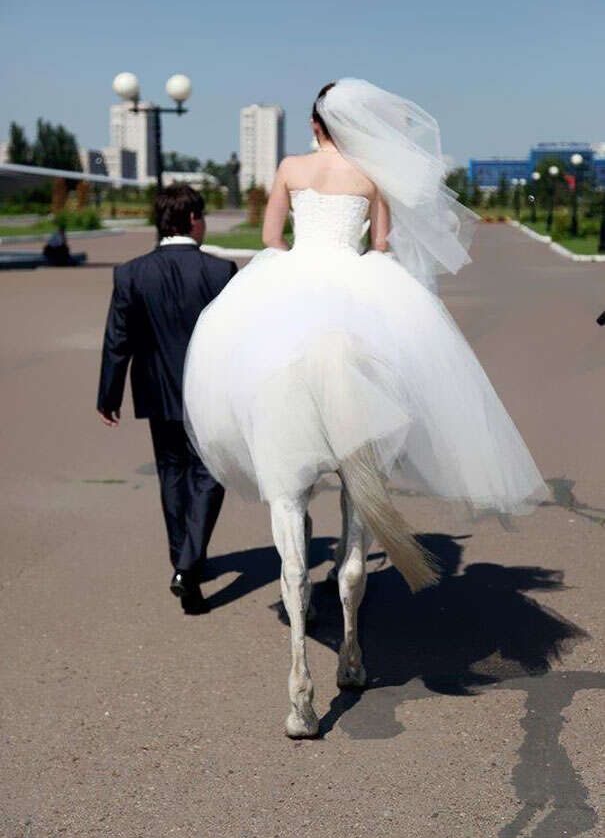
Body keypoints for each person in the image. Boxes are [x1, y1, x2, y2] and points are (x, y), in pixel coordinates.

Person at [184, 78, 547, 531]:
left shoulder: (290, 167)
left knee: (247, 357)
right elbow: (380, 243)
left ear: (315, 124)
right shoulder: (371, 175)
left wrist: (291, 253)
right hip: (354, 270)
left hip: (294, 267)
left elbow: (270, 238)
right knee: (404, 362)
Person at [97, 184, 238, 613]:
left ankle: (183, 558)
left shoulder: (131, 273)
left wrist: (109, 395)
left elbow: (117, 340)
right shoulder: (221, 272)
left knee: (171, 474)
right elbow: (236, 340)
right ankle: (189, 566)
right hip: (207, 393)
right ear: (193, 220)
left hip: (157, 391)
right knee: (209, 476)